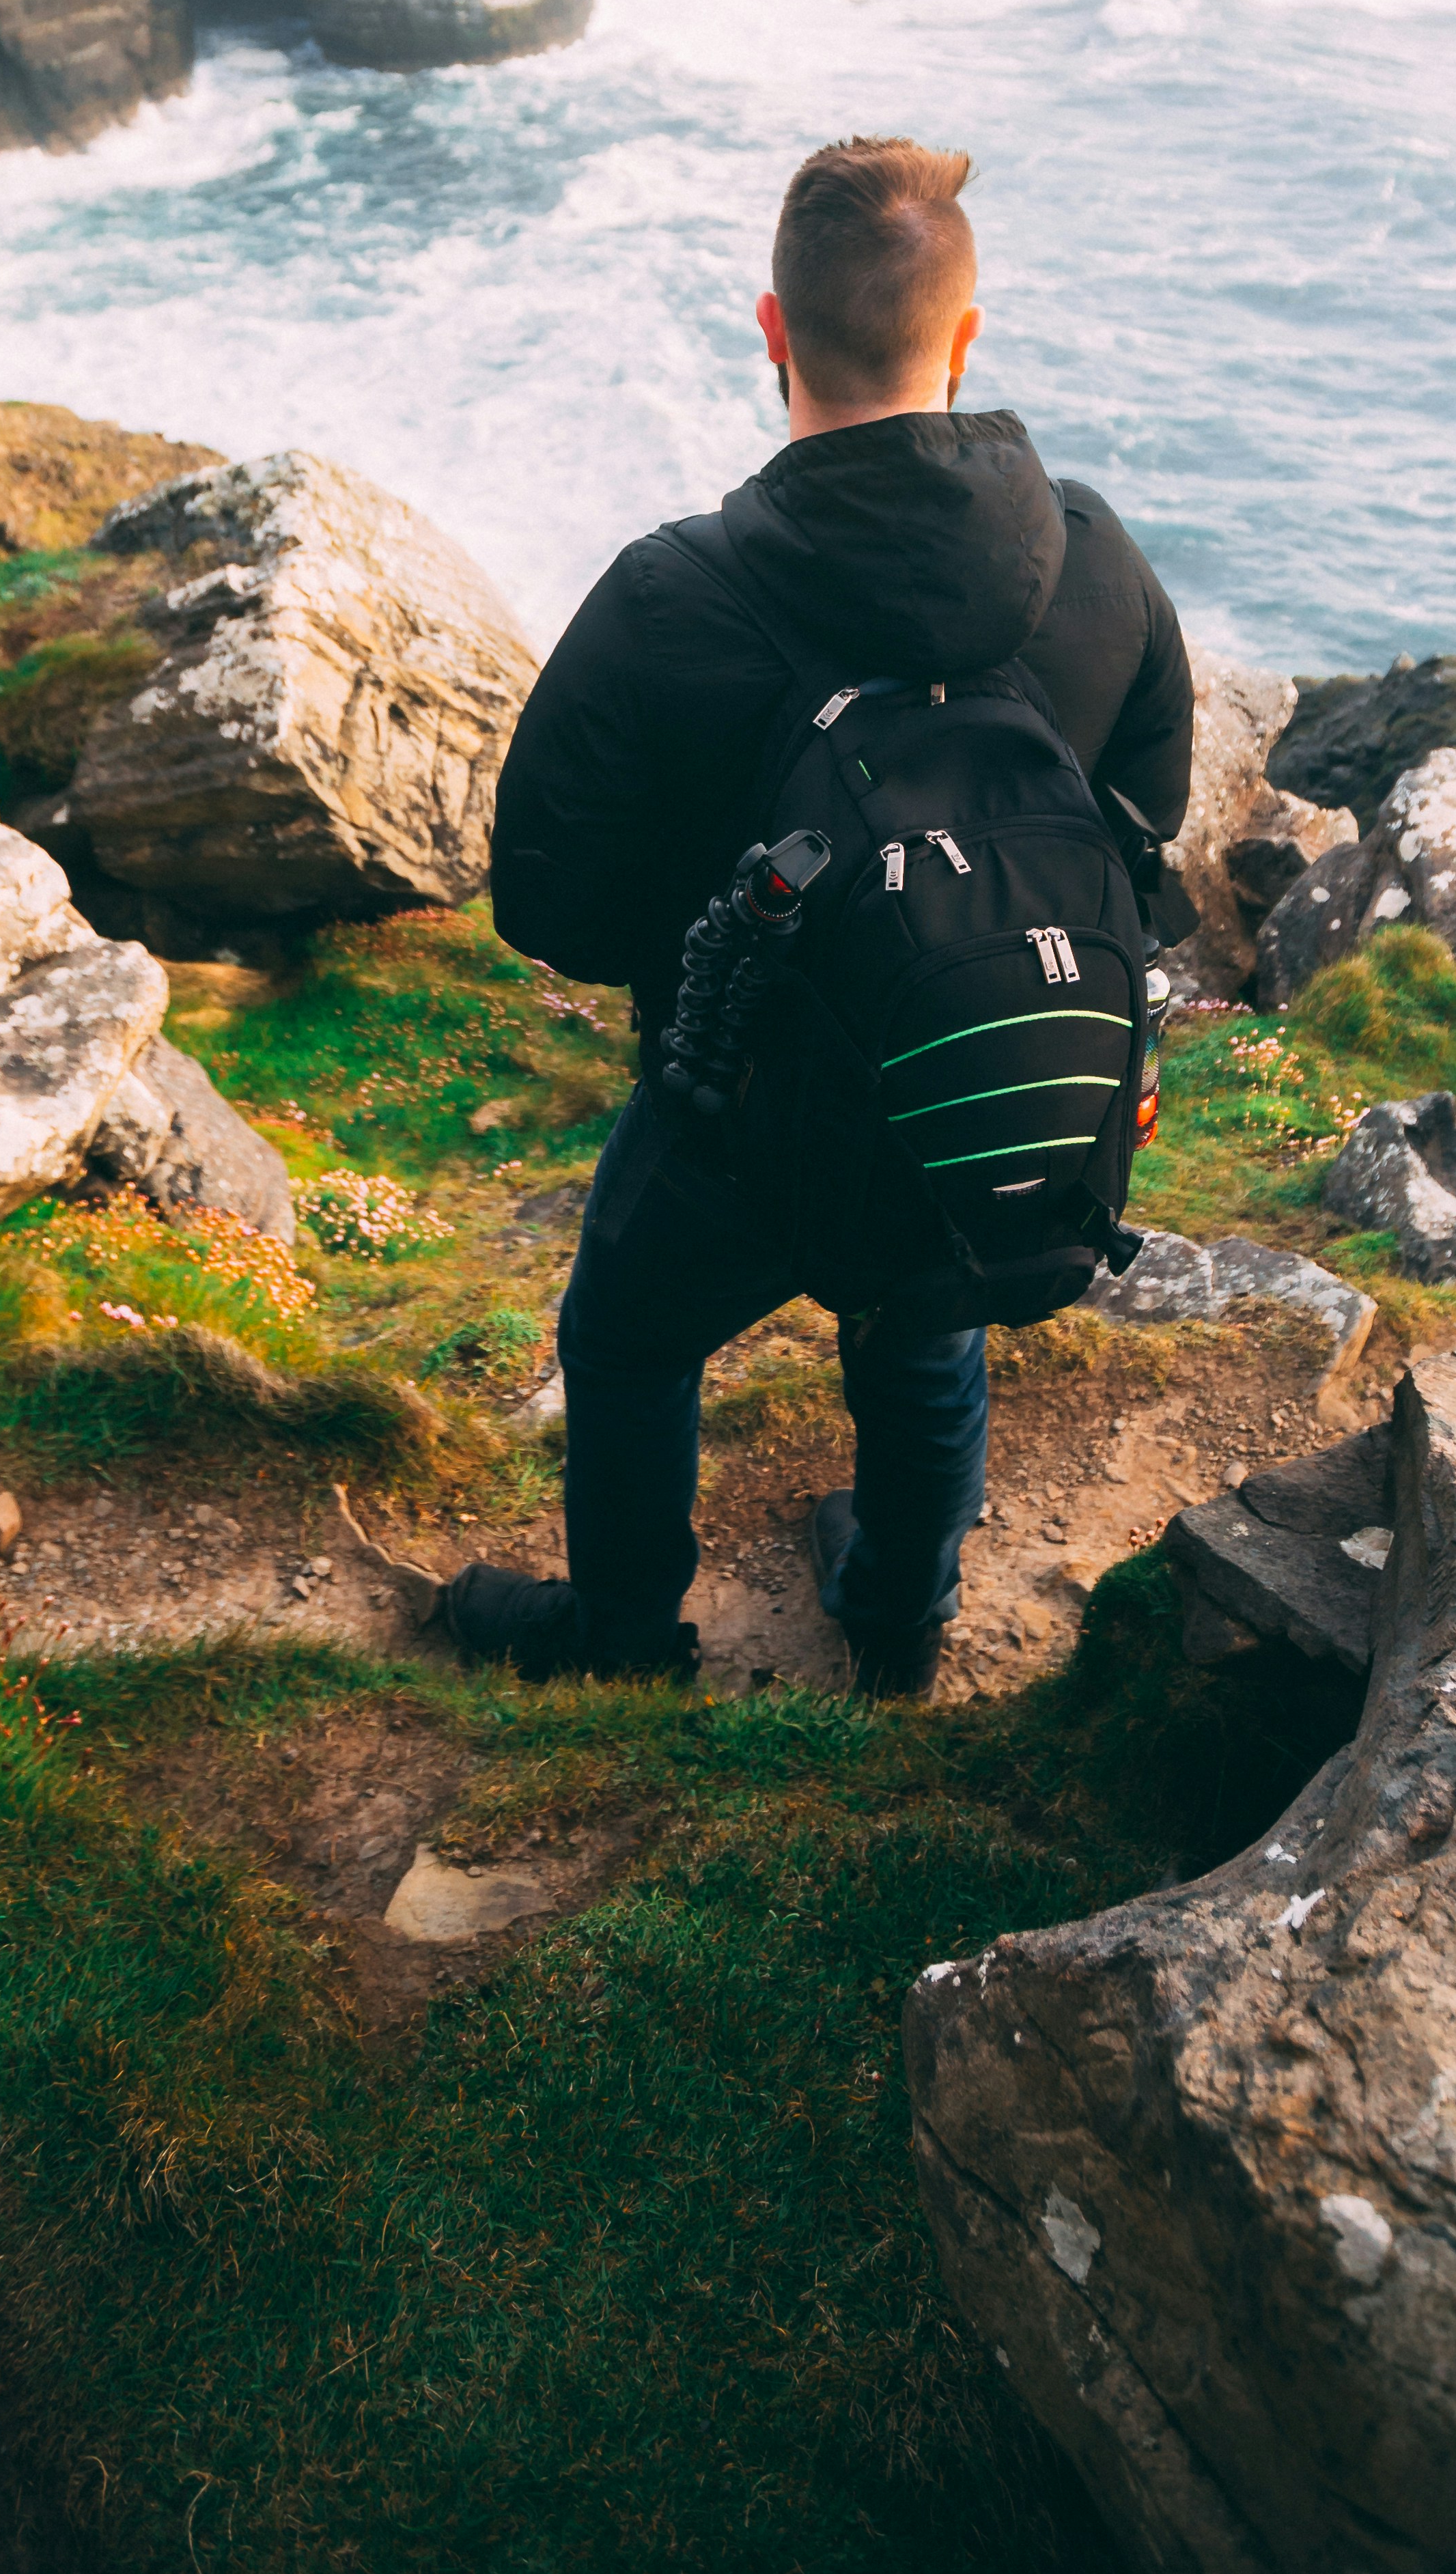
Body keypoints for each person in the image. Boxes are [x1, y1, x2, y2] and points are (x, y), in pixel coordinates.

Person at [445, 135, 1194, 1701]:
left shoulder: (671, 597)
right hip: (966, 1070)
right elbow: (1141, 819)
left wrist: (717, 942)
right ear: (965, 339)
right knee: (923, 1312)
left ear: (773, 331)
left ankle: (625, 1638)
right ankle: (898, 1621)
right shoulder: (1098, 561)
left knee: (632, 1337)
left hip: (734, 1113)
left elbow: (546, 897)